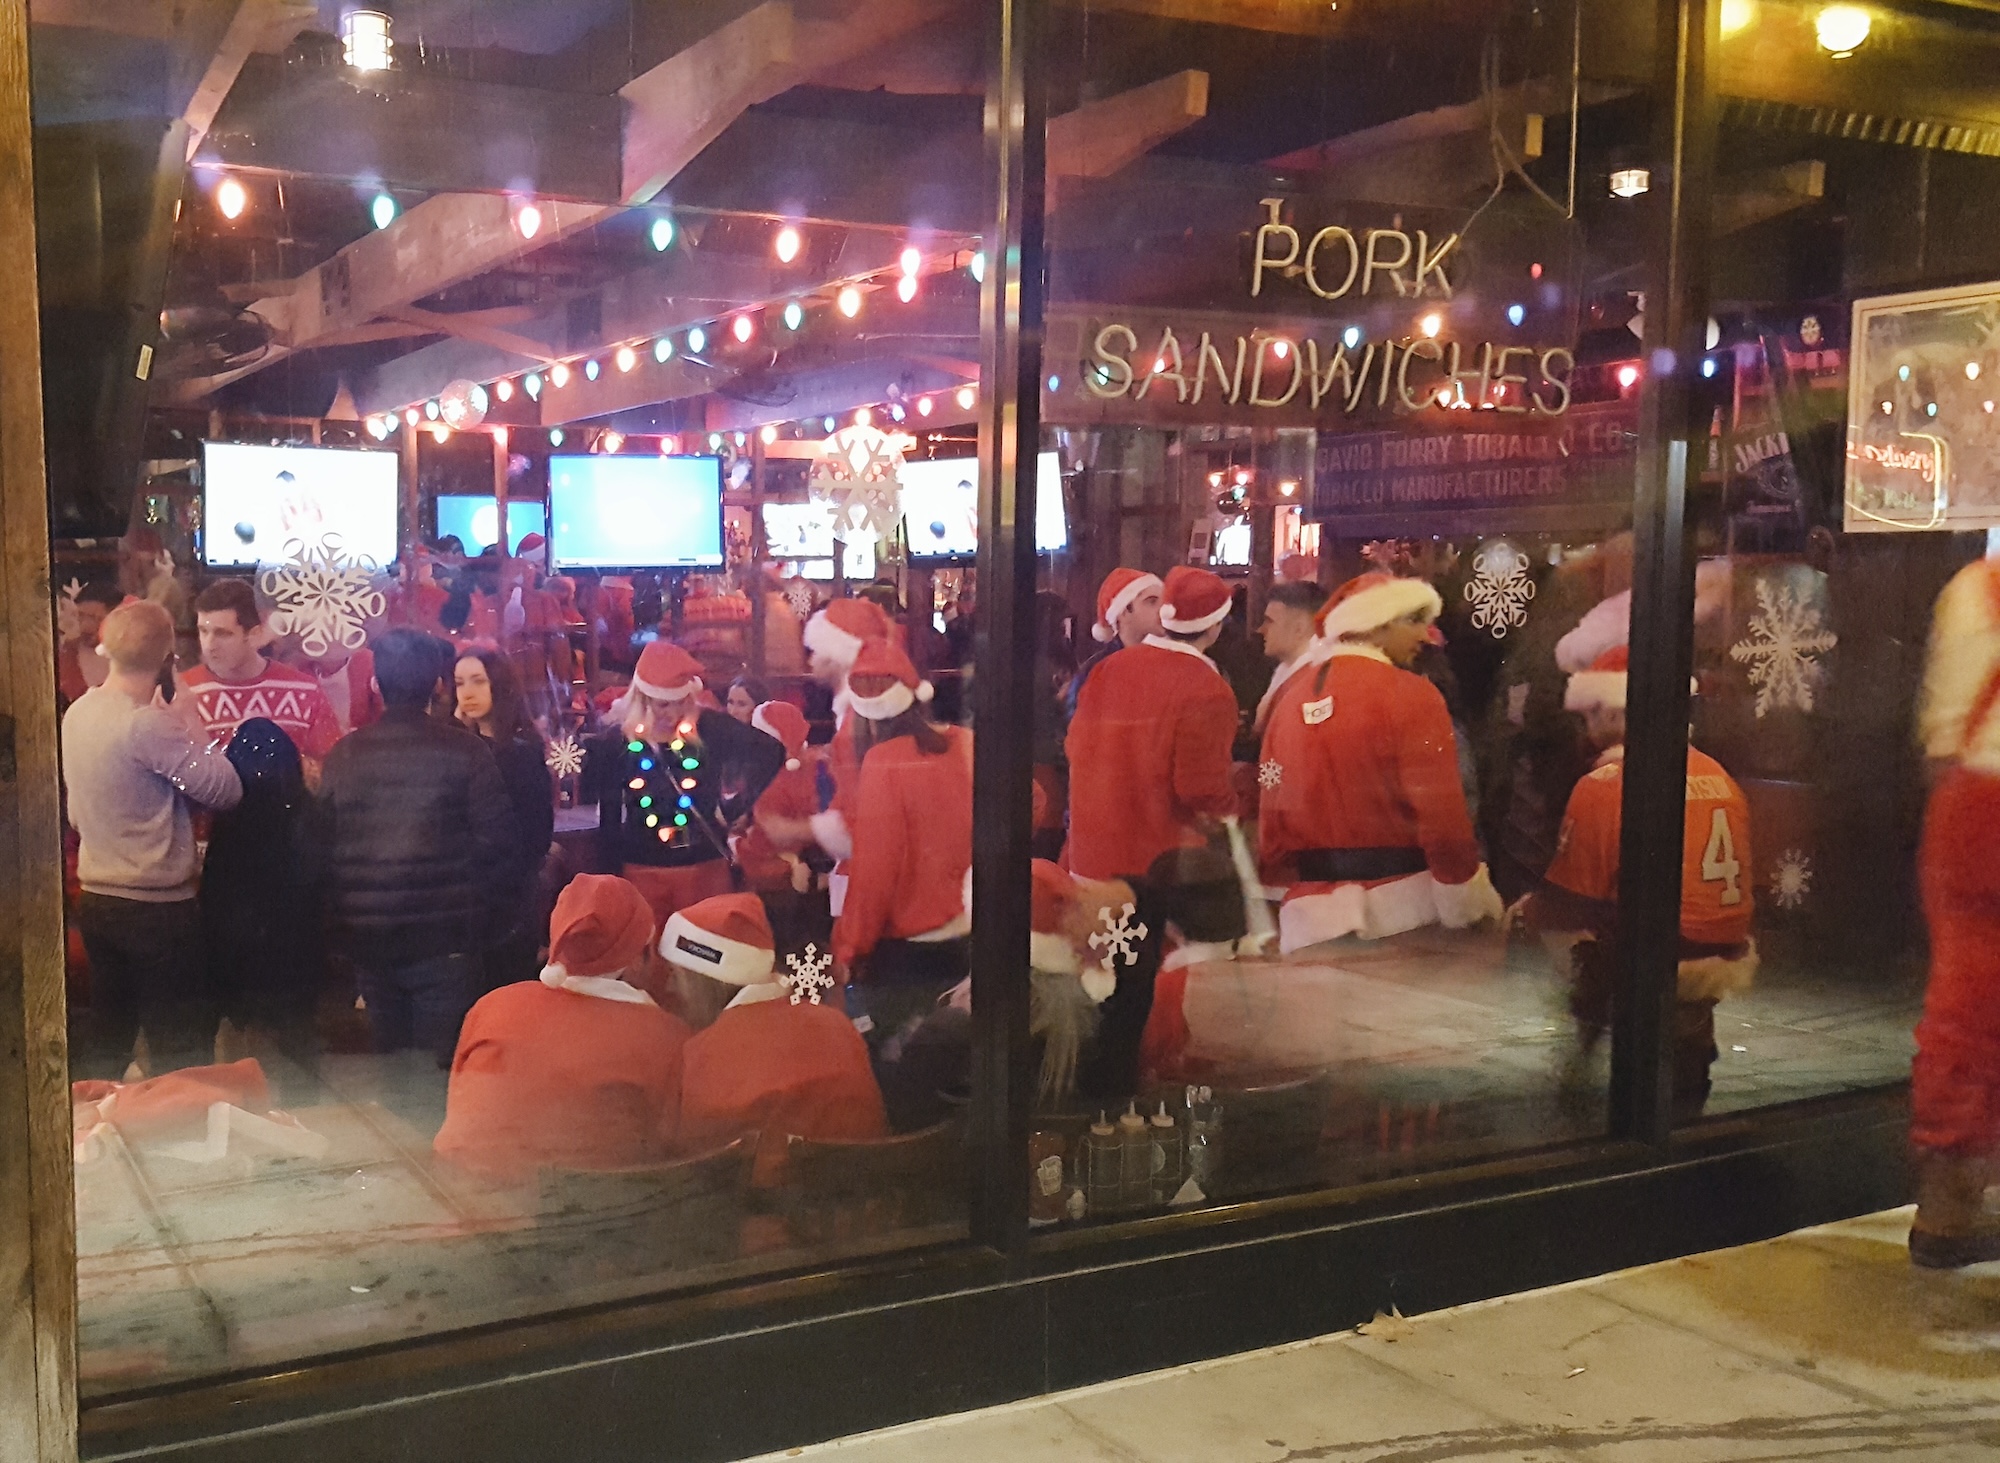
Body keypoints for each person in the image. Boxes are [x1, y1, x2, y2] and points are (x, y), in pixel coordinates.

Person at [1511, 646, 1755, 1120]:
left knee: (1572, 932)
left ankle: (1585, 1073)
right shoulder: (1718, 773)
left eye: (1588, 715)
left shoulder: (1606, 782)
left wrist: (1526, 911)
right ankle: (1687, 1078)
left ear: (1611, 713)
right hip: (1722, 947)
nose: (1584, 728)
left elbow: (1570, 899)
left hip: (1652, 954)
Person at [1259, 572, 1502, 952]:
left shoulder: (1288, 699)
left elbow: (1272, 805)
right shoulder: (1412, 695)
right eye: (1414, 621)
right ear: (1377, 623)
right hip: (1403, 916)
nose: (1424, 636)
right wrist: (1463, 897)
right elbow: (1442, 813)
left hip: (1309, 918)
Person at [306, 628, 517, 1065]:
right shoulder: (467, 751)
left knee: (392, 1067)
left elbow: (321, 847)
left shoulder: (345, 755)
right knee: (444, 1071)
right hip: (446, 942)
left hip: (369, 940)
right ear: (438, 686)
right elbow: (499, 844)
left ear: (377, 686)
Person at [62, 599, 243, 1078]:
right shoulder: (147, 724)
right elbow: (226, 789)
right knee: (179, 1049)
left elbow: (77, 818)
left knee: (108, 1036)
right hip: (158, 908)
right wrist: (189, 719)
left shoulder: (78, 713)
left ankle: (96, 1136)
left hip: (98, 897)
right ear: (168, 659)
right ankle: (178, 1143)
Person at [432, 874, 690, 1185]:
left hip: (457, 1196)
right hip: (588, 1215)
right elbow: (675, 1154)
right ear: (637, 957)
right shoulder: (667, 1038)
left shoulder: (493, 1006)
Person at [1907, 556, 2000, 1266]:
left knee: (1965, 1008)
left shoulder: (1973, 585)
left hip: (1970, 798)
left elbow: (1940, 738)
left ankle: (1947, 1209)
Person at [664, 893, 887, 1181]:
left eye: (675, 973)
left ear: (704, 981)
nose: (668, 986)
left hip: (775, 1216)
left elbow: (698, 1169)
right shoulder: (838, 1025)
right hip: (871, 1206)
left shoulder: (704, 1054)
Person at [830, 640, 974, 1061]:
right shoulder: (966, 742)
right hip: (970, 933)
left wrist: (849, 947)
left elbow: (876, 872)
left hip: (910, 950)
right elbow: (1031, 802)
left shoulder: (883, 762)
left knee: (904, 1071)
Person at [583, 639, 784, 930]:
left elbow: (771, 752)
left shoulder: (710, 727)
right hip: (642, 870)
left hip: (703, 870)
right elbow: (610, 812)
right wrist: (611, 875)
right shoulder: (618, 741)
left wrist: (733, 807)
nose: (672, 714)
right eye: (664, 704)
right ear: (643, 699)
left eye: (680, 703)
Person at [1065, 565, 1239, 884]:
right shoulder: (1207, 686)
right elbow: (1200, 789)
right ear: (1214, 626)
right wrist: (1240, 807)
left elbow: (1074, 747)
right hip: (1159, 866)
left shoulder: (1107, 669)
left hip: (1090, 857)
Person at [201, 717, 319, 1075]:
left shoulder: (228, 821)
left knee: (237, 1045)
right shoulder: (305, 814)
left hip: (236, 953)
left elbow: (214, 891)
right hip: (293, 952)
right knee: (295, 1045)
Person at [453, 648, 556, 992]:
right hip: (463, 901)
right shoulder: (457, 746)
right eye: (459, 683)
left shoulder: (522, 751)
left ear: (499, 685)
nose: (467, 692)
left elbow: (537, 834)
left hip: (507, 899)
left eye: (478, 681)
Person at [181, 578, 342, 767]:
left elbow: (332, 768)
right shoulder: (183, 692)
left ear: (255, 634)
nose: (209, 645)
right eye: (203, 631)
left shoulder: (304, 691)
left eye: (223, 634)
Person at [801, 595, 896, 913]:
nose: (809, 659)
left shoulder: (856, 722)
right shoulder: (863, 712)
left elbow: (859, 821)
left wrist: (792, 830)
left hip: (865, 880)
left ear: (836, 654)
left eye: (815, 650)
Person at [1063, 567, 1164, 720]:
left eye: (1164, 601)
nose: (1163, 609)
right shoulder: (1095, 674)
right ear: (1123, 612)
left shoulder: (1171, 664)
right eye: (1152, 601)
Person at [1252, 580, 1328, 736]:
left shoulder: (1313, 683)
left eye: (1269, 621)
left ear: (1299, 628)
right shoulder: (1288, 670)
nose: (1261, 630)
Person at [58, 580, 123, 707]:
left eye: (95, 618)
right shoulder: (67, 654)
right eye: (81, 616)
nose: (86, 626)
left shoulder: (129, 659)